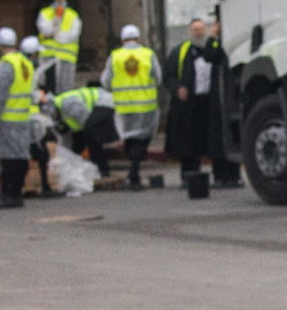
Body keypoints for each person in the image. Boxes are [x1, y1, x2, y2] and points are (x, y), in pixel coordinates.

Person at [163, 17, 241, 189]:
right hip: (189, 104)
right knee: (188, 143)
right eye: (195, 30)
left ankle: (223, 176)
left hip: (211, 102)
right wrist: (178, 89)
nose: (199, 32)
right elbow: (168, 76)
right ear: (190, 32)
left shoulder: (213, 48)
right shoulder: (180, 51)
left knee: (214, 141)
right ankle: (189, 176)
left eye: (201, 29)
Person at [101, 23, 161, 190]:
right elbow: (158, 77)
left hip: (124, 107)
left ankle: (133, 174)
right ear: (138, 38)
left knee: (129, 138)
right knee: (142, 138)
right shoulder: (148, 54)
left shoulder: (115, 56)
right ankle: (134, 173)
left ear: (122, 39)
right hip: (146, 105)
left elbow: (105, 81)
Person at [0, 27, 34, 209]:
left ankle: (9, 194)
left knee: (8, 158)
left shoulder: (5, 65)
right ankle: (16, 193)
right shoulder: (24, 63)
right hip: (22, 117)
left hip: (7, 118)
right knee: (20, 156)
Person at [19, 35, 62, 199]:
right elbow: (27, 92)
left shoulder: (25, 66)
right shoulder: (26, 68)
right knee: (37, 153)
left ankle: (43, 185)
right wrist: (40, 97)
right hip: (28, 117)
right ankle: (41, 186)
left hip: (29, 117)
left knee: (39, 152)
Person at [47, 81, 119, 177]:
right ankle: (98, 167)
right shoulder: (62, 110)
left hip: (104, 101)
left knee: (91, 133)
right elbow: (75, 132)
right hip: (99, 105)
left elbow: (85, 119)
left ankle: (101, 169)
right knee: (85, 135)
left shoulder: (66, 103)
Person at [204, 20, 242, 187]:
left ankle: (233, 175)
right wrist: (212, 37)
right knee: (217, 140)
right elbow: (209, 55)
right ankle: (220, 176)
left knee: (232, 136)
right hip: (218, 101)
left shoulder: (232, 47)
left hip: (229, 99)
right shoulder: (217, 46)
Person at [37, 0, 82, 94]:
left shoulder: (73, 15)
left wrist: (55, 36)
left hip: (67, 59)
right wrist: (57, 19)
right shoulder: (45, 13)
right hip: (49, 59)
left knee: (66, 91)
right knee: (49, 89)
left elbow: (74, 35)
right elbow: (46, 31)